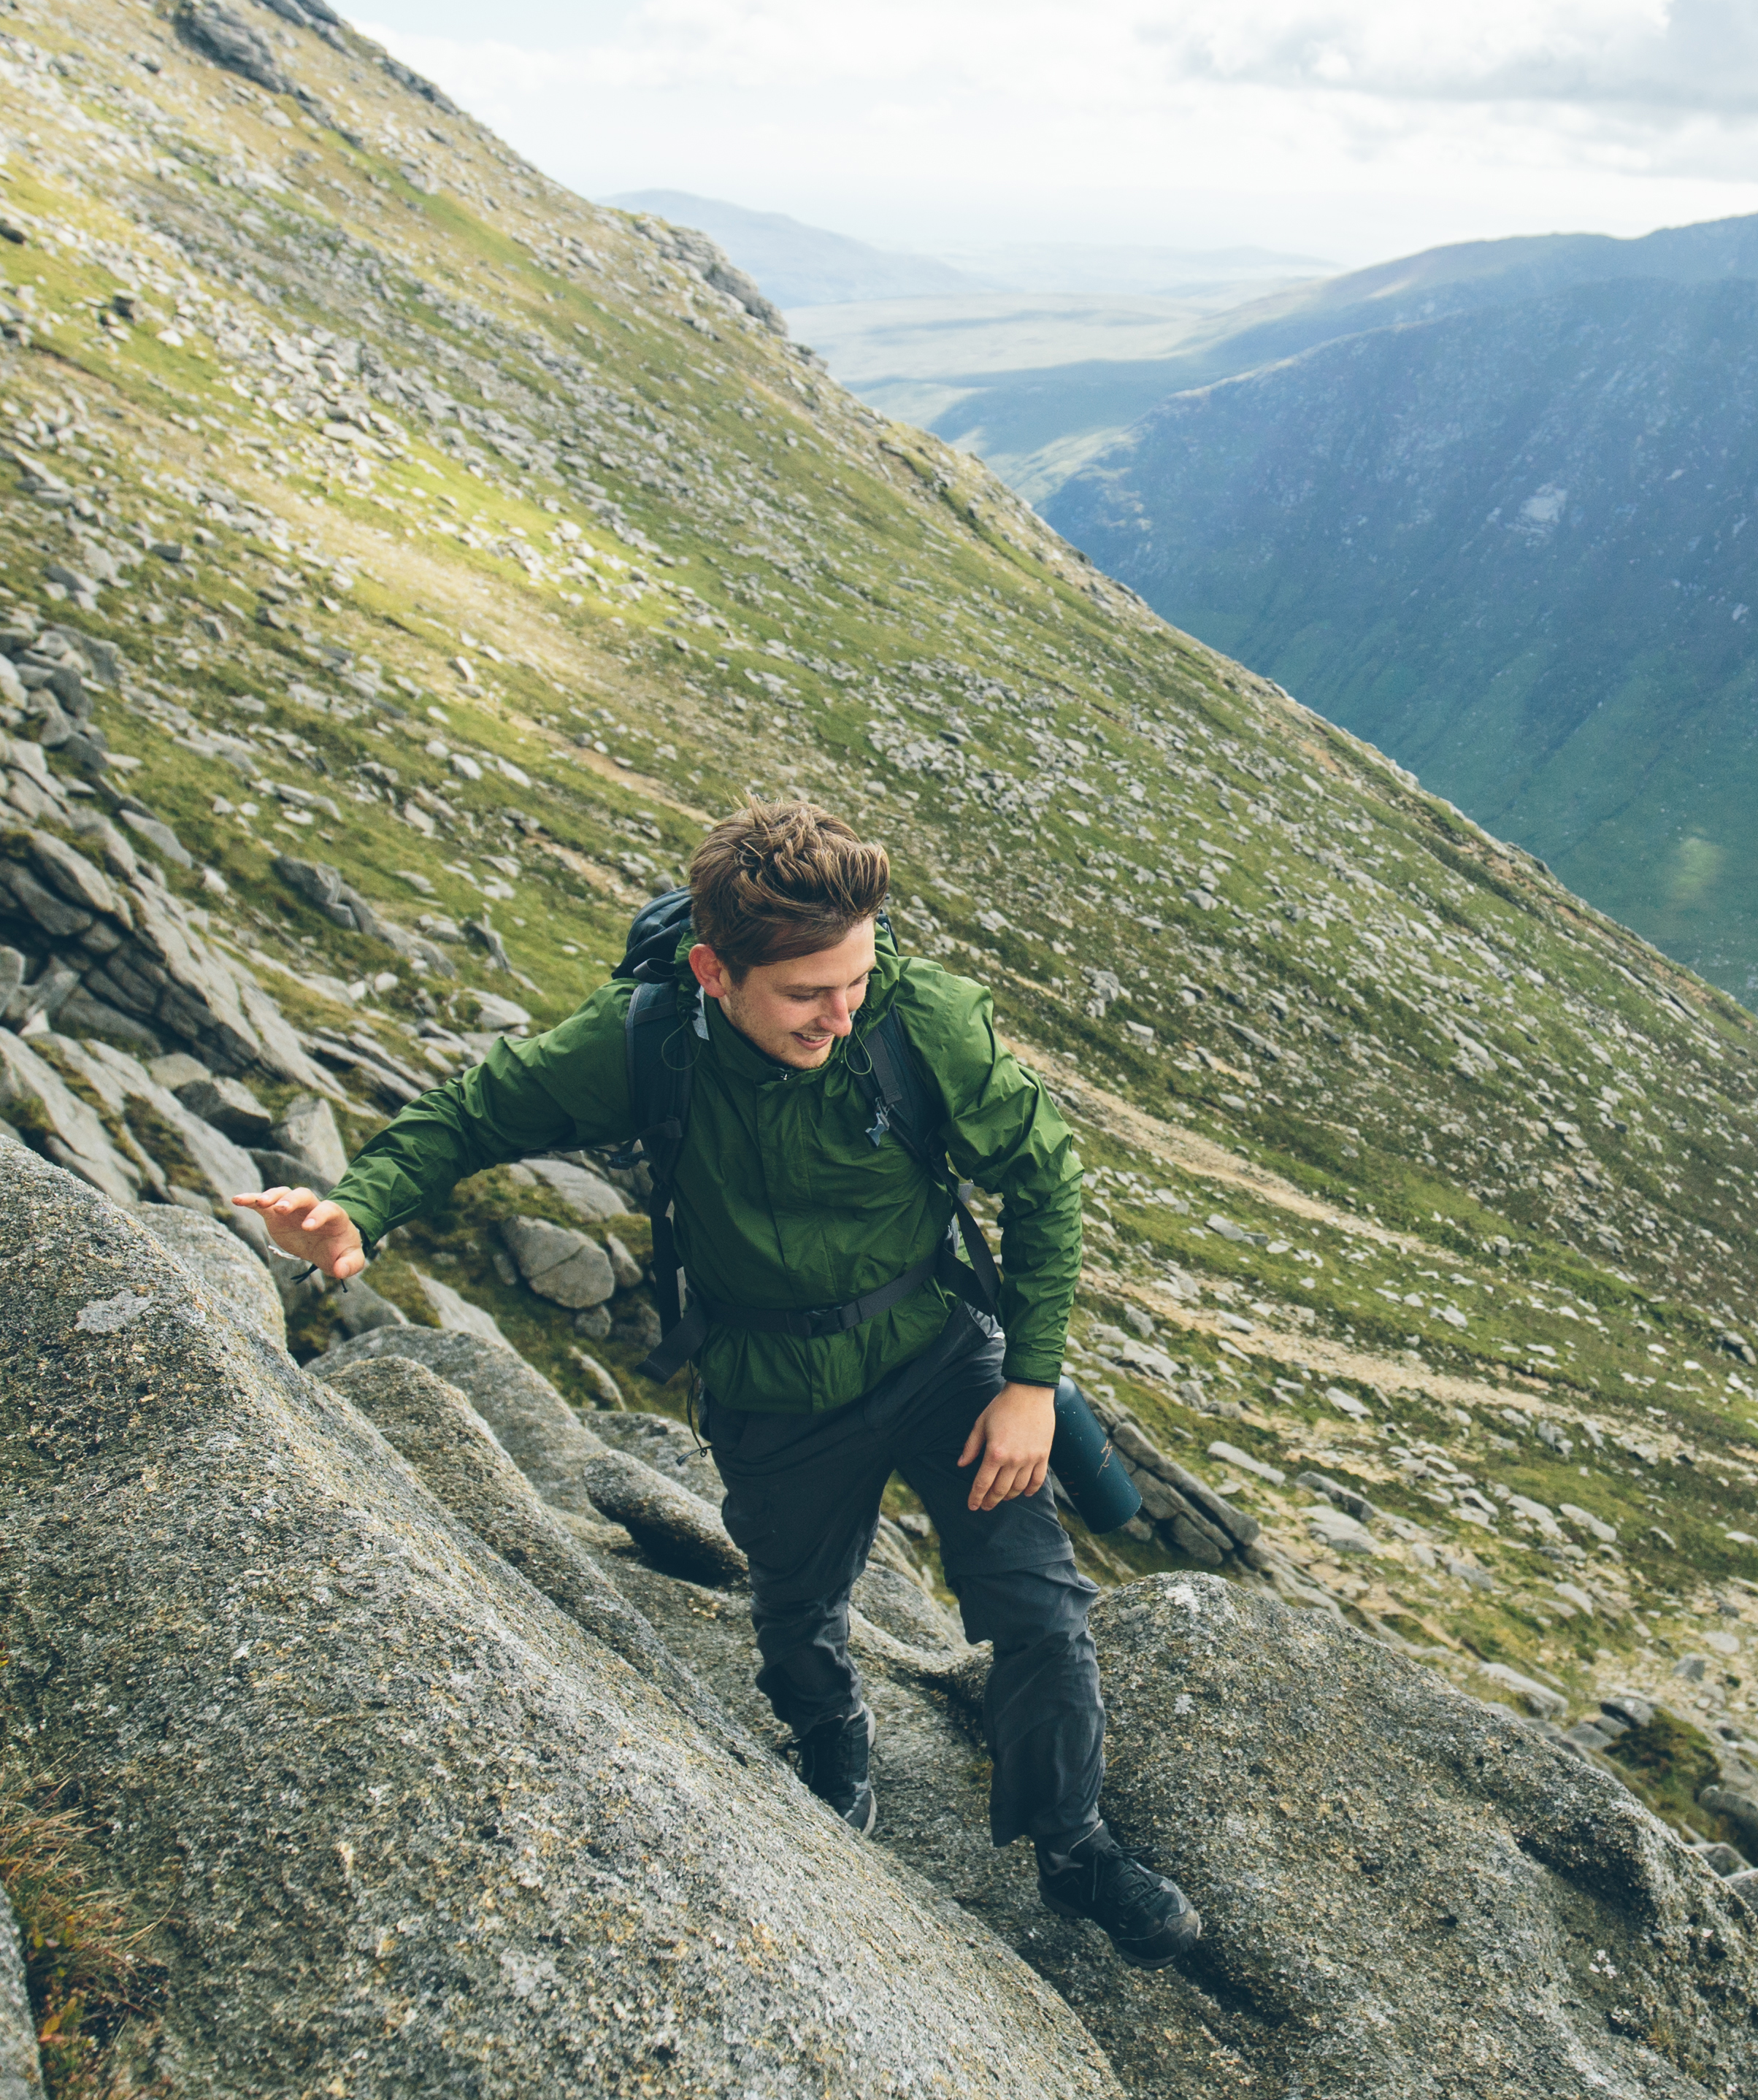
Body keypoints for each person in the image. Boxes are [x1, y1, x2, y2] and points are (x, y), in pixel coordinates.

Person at [235, 801, 1202, 1962]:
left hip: (938, 1350)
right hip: (767, 1378)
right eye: (806, 993)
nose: (841, 1016)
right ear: (714, 970)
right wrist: (362, 1207)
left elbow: (1045, 1179)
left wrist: (1031, 1384)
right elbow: (475, 1114)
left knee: (1040, 1611)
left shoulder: (920, 1020)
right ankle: (832, 1737)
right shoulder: (643, 1038)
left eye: (857, 976)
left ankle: (1074, 1847)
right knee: (796, 1604)